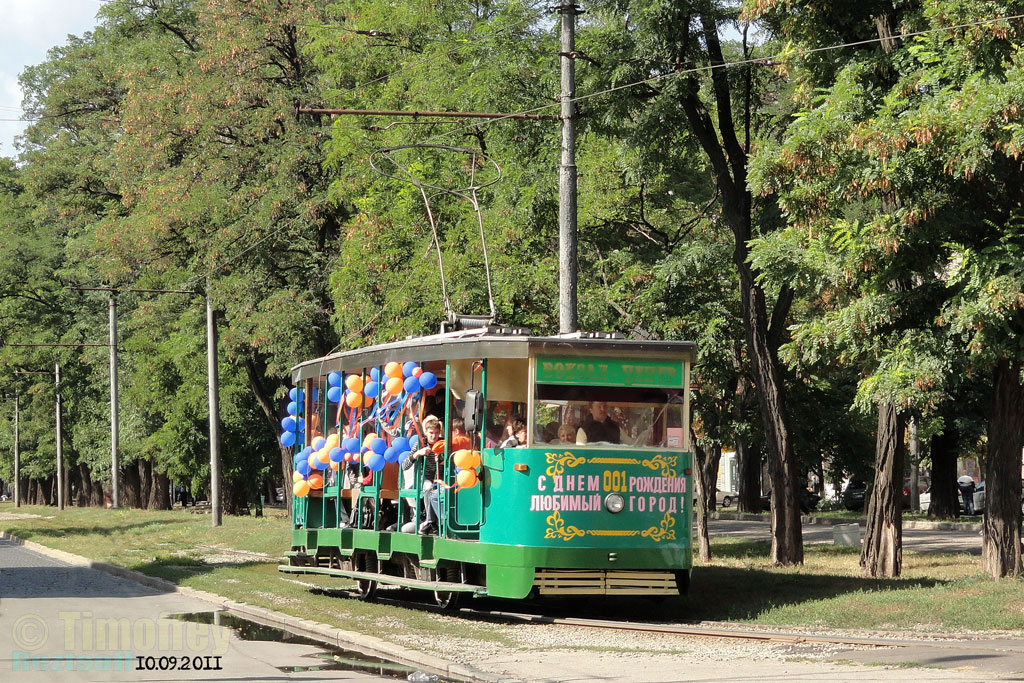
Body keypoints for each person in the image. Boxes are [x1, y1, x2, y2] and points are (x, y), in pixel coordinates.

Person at [403, 415, 443, 534]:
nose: (433, 436)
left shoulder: (442, 443)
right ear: (426, 432)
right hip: (422, 477)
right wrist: (418, 454)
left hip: (439, 478)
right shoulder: (421, 443)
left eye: (436, 433)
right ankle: (430, 521)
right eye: (431, 432)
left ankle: (438, 522)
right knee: (428, 487)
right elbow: (404, 465)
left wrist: (442, 459)